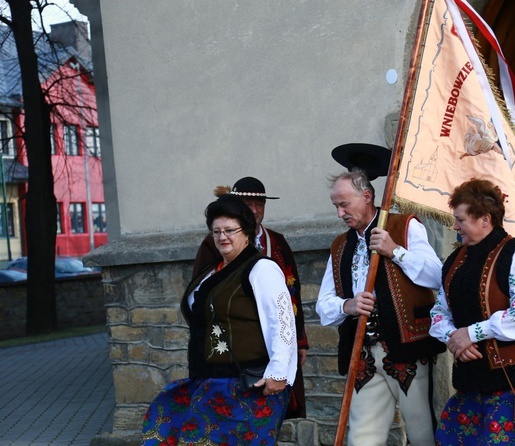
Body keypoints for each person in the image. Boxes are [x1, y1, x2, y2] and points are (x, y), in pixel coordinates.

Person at [141, 194, 297, 445]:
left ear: (246, 232)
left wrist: (279, 373)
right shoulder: (211, 270)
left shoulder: (261, 269)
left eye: (229, 230)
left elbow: (283, 322)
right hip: (208, 381)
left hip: (247, 385)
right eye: (216, 231)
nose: (222, 236)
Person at [316, 168, 446, 446]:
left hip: (407, 348)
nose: (340, 213)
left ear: (366, 196)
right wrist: (347, 306)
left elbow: (436, 276)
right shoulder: (340, 246)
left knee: (422, 431)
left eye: (344, 204)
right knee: (362, 438)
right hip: (363, 352)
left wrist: (395, 251)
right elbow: (324, 306)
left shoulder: (404, 226)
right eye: (336, 206)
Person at [429, 178, 515, 445]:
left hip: (511, 382)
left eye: (460, 219)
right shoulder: (455, 260)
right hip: (470, 379)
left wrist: (471, 333)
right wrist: (455, 338)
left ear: (485, 219)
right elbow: (439, 311)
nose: (455, 226)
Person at [192, 176, 309, 419]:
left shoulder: (270, 254)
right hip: (215, 372)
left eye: (260, 204)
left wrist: (296, 346)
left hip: (251, 371)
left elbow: (287, 304)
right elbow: (200, 297)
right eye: (217, 232)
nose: (223, 236)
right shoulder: (212, 250)